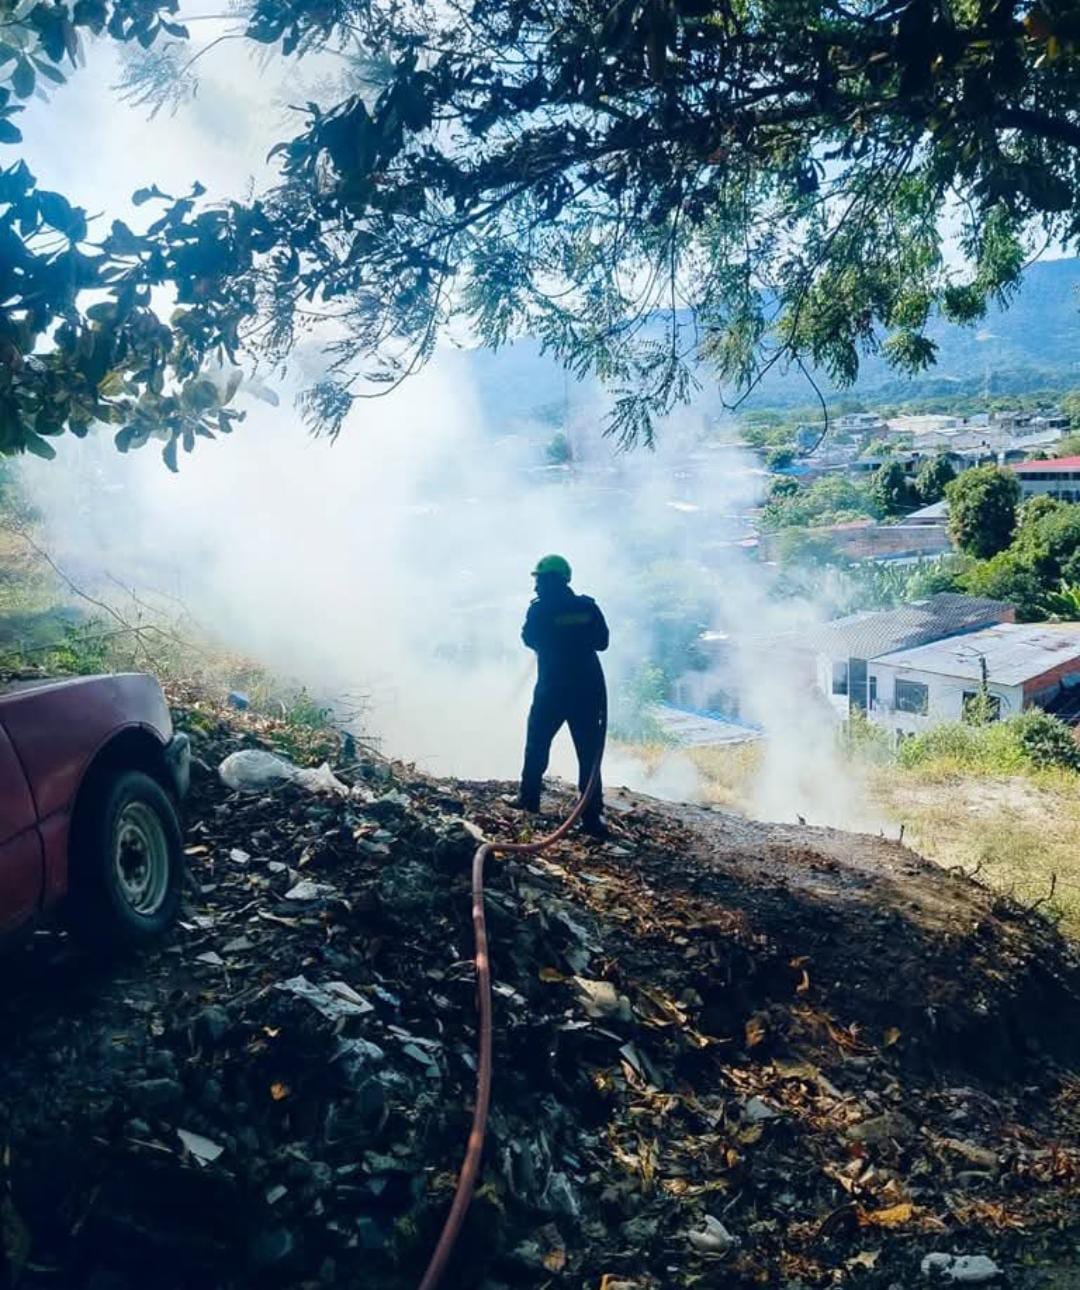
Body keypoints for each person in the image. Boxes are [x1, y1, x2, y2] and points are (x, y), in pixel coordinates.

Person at [518, 554, 610, 838]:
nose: (536, 588)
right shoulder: (587, 607)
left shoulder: (539, 611)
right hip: (587, 691)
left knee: (537, 745)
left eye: (539, 581)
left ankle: (528, 801)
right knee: (588, 755)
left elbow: (529, 639)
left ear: (549, 581)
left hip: (552, 691)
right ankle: (592, 818)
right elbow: (602, 642)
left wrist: (554, 641)